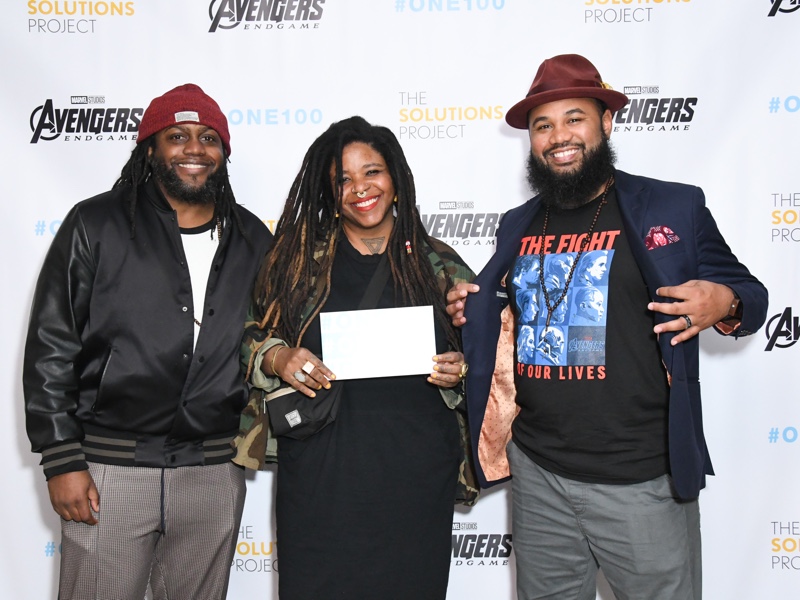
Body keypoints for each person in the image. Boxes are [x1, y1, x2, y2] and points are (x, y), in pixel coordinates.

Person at [447, 54, 768, 599]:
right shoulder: (517, 223)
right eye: (542, 125)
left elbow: (750, 296)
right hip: (538, 471)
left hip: (641, 476)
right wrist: (473, 310)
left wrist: (727, 301)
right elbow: (513, 315)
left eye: (574, 118)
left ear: (606, 122)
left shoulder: (672, 205)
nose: (558, 136)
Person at [23, 84, 272, 599]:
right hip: (110, 469)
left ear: (224, 152)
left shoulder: (252, 238)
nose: (194, 149)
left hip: (212, 470)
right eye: (176, 136)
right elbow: (52, 344)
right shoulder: (96, 223)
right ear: (150, 148)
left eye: (208, 138)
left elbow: (281, 334)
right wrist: (62, 458)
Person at [232, 116, 478, 600]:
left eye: (373, 172)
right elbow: (245, 335)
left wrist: (462, 370)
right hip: (323, 471)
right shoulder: (297, 260)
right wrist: (277, 357)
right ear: (328, 191)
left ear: (397, 180)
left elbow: (490, 354)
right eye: (342, 179)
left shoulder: (439, 262)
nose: (359, 188)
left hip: (417, 469)